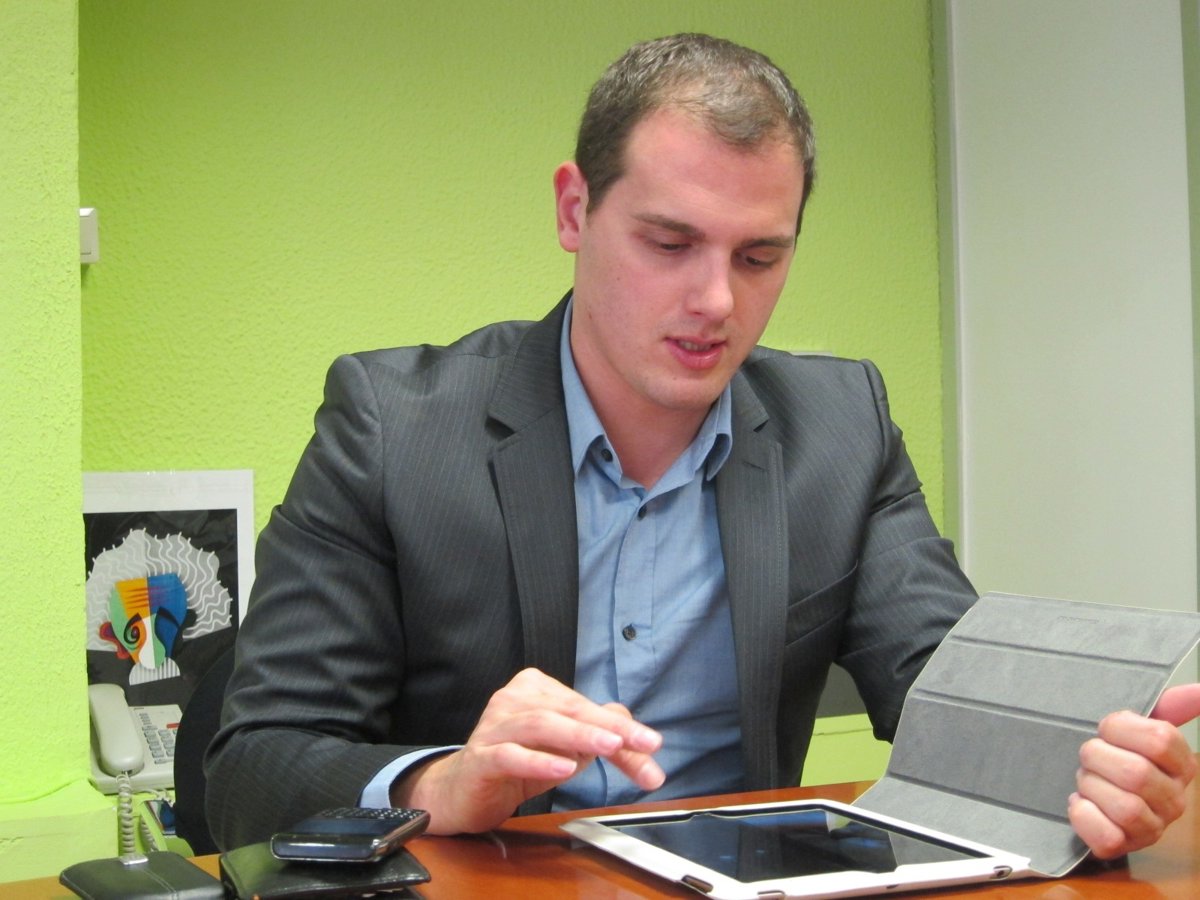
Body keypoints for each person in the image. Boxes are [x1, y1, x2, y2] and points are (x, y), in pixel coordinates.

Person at [206, 33, 1200, 859]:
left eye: (760, 256)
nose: (717, 301)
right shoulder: (394, 426)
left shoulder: (841, 428)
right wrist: (445, 782)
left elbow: (950, 694)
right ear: (574, 209)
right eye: (670, 244)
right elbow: (250, 769)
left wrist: (1084, 771)